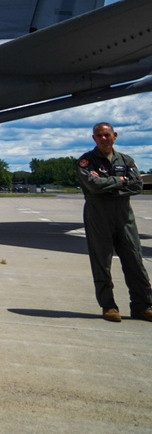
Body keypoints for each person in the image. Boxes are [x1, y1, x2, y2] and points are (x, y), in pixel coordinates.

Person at [75, 122, 152, 323]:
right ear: (94, 138)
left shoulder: (125, 160)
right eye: (99, 135)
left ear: (114, 136)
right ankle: (109, 306)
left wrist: (108, 186)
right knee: (102, 261)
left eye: (107, 135)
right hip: (98, 217)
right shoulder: (86, 161)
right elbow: (92, 185)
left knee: (135, 260)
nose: (103, 138)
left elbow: (137, 185)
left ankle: (142, 306)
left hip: (124, 217)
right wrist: (120, 181)